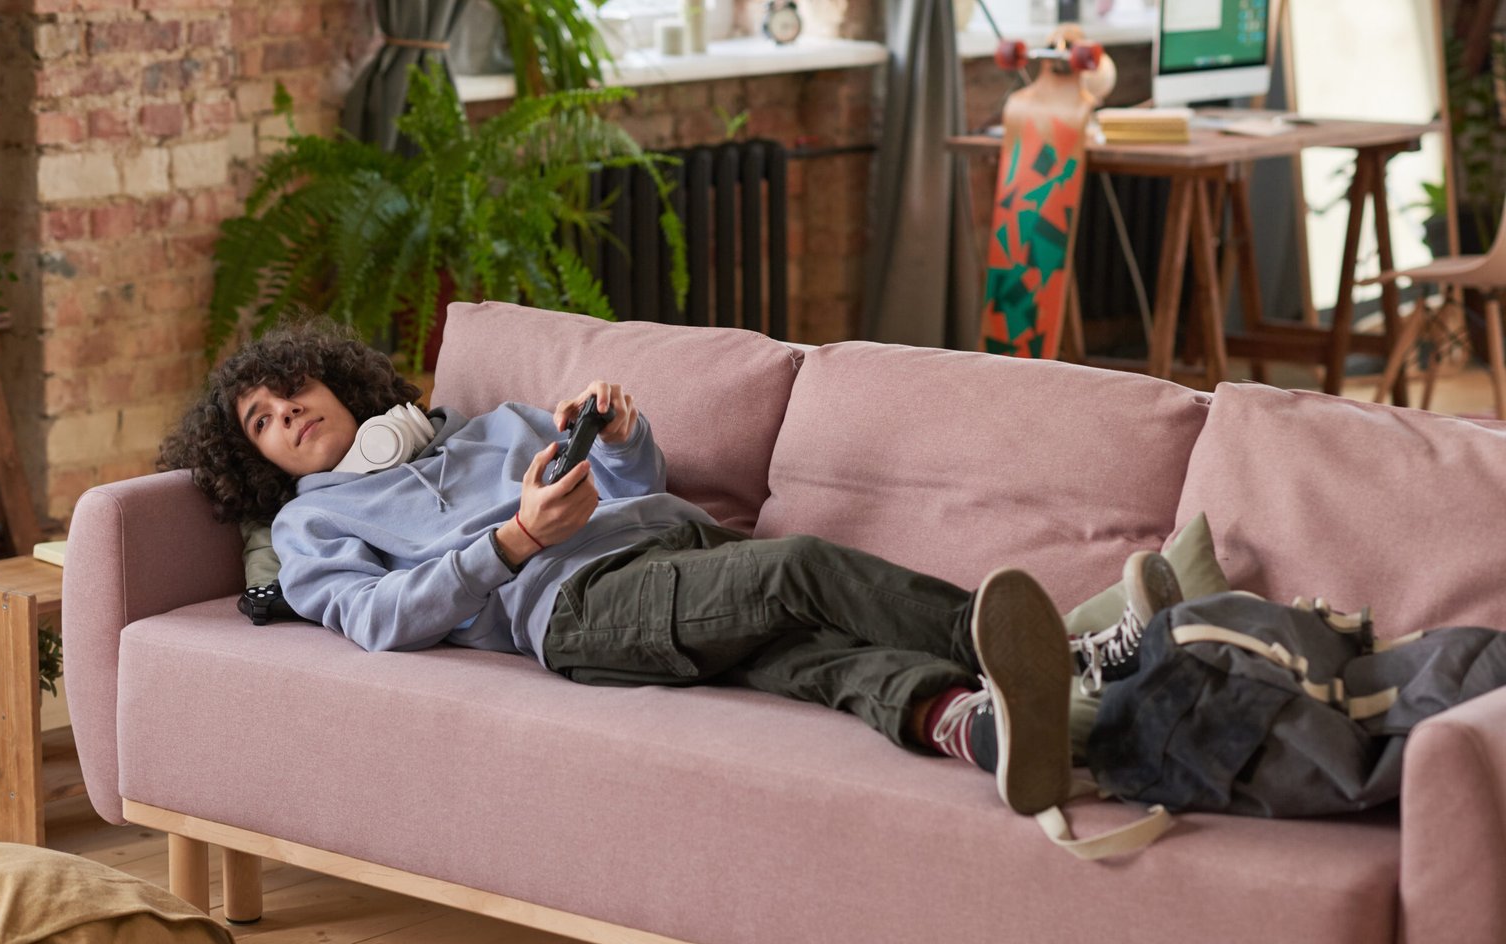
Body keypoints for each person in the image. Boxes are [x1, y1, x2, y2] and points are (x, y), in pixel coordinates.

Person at [159, 322, 1176, 830]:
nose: (285, 414)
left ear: (337, 385)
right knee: (801, 573)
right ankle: (1083, 655)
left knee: (804, 653)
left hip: (668, 544)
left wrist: (625, 439)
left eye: (291, 392)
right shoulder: (312, 528)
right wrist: (511, 541)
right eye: (261, 422)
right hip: (576, 609)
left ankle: (970, 724)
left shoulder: (487, 429)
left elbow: (621, 481)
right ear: (264, 460)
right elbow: (378, 619)